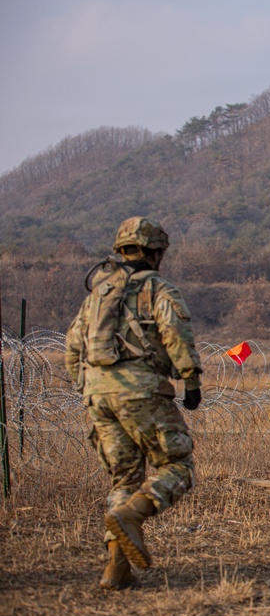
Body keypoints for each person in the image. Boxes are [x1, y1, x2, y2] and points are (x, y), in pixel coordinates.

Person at [64, 217, 202, 590]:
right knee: (177, 466)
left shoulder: (97, 293)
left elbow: (73, 345)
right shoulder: (157, 288)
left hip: (98, 394)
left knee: (124, 476)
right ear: (155, 252)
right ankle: (134, 514)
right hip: (141, 392)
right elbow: (175, 333)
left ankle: (116, 569)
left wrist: (88, 387)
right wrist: (190, 379)